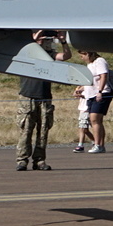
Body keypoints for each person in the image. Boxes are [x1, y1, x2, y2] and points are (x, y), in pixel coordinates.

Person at [16, 31, 72, 171]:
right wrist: (36, 38)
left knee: (43, 130)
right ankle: (22, 160)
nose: (43, 40)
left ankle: (39, 160)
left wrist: (63, 41)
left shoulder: (49, 56)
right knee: (26, 130)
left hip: (44, 96)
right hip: (27, 97)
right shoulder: (27, 52)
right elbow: (26, 50)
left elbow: (66, 56)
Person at [80, 48, 113, 153]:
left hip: (101, 94)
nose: (82, 58)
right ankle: (100, 145)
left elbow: (103, 76)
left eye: (83, 55)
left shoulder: (100, 61)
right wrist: (81, 90)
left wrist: (100, 90)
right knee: (96, 121)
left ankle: (97, 144)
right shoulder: (90, 65)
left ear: (88, 54)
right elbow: (90, 81)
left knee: (94, 119)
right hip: (90, 95)